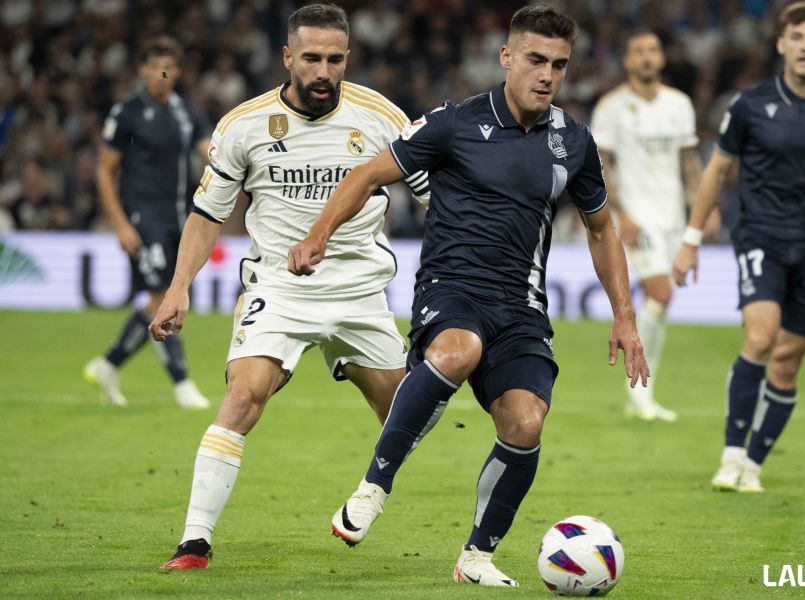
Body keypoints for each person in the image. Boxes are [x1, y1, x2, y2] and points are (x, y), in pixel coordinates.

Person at [289, 5, 648, 587]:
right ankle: (374, 486)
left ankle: (476, 556)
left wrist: (625, 317)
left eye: (558, 65)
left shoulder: (574, 142)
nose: (547, 75)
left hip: (522, 306)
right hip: (451, 289)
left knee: (526, 421)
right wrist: (317, 235)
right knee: (457, 352)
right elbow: (365, 176)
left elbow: (601, 228)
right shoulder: (454, 124)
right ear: (506, 57)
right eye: (535, 59)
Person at [148, 4, 429, 571]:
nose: (324, 71)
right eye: (311, 58)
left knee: (410, 417)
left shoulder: (381, 117)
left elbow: (436, 202)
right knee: (242, 398)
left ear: (347, 57)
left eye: (335, 59)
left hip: (359, 291)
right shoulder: (243, 126)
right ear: (287, 57)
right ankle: (194, 544)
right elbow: (207, 214)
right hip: (279, 286)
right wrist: (179, 285)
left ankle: (366, 497)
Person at [672, 1, 805, 493]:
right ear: (781, 44)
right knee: (761, 338)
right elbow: (716, 172)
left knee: (787, 361)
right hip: (761, 237)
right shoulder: (749, 104)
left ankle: (754, 464)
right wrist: (690, 240)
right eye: (797, 37)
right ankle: (730, 454)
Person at [83, 36, 211, 410]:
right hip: (144, 220)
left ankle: (108, 364)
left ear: (179, 72)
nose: (161, 75)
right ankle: (183, 384)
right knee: (161, 299)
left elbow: (210, 151)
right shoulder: (127, 113)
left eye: (168, 69)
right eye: (154, 68)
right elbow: (105, 172)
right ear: (141, 70)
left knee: (159, 301)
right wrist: (121, 224)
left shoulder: (186, 113)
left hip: (180, 220)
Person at [590, 29, 704, 422]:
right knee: (661, 294)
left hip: (672, 217)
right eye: (638, 51)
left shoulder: (679, 104)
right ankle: (640, 389)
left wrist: (701, 211)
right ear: (627, 61)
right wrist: (620, 213)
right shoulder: (611, 107)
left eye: (653, 50)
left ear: (662, 58)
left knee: (661, 301)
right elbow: (601, 166)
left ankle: (640, 383)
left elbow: (689, 161)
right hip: (637, 216)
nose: (647, 57)